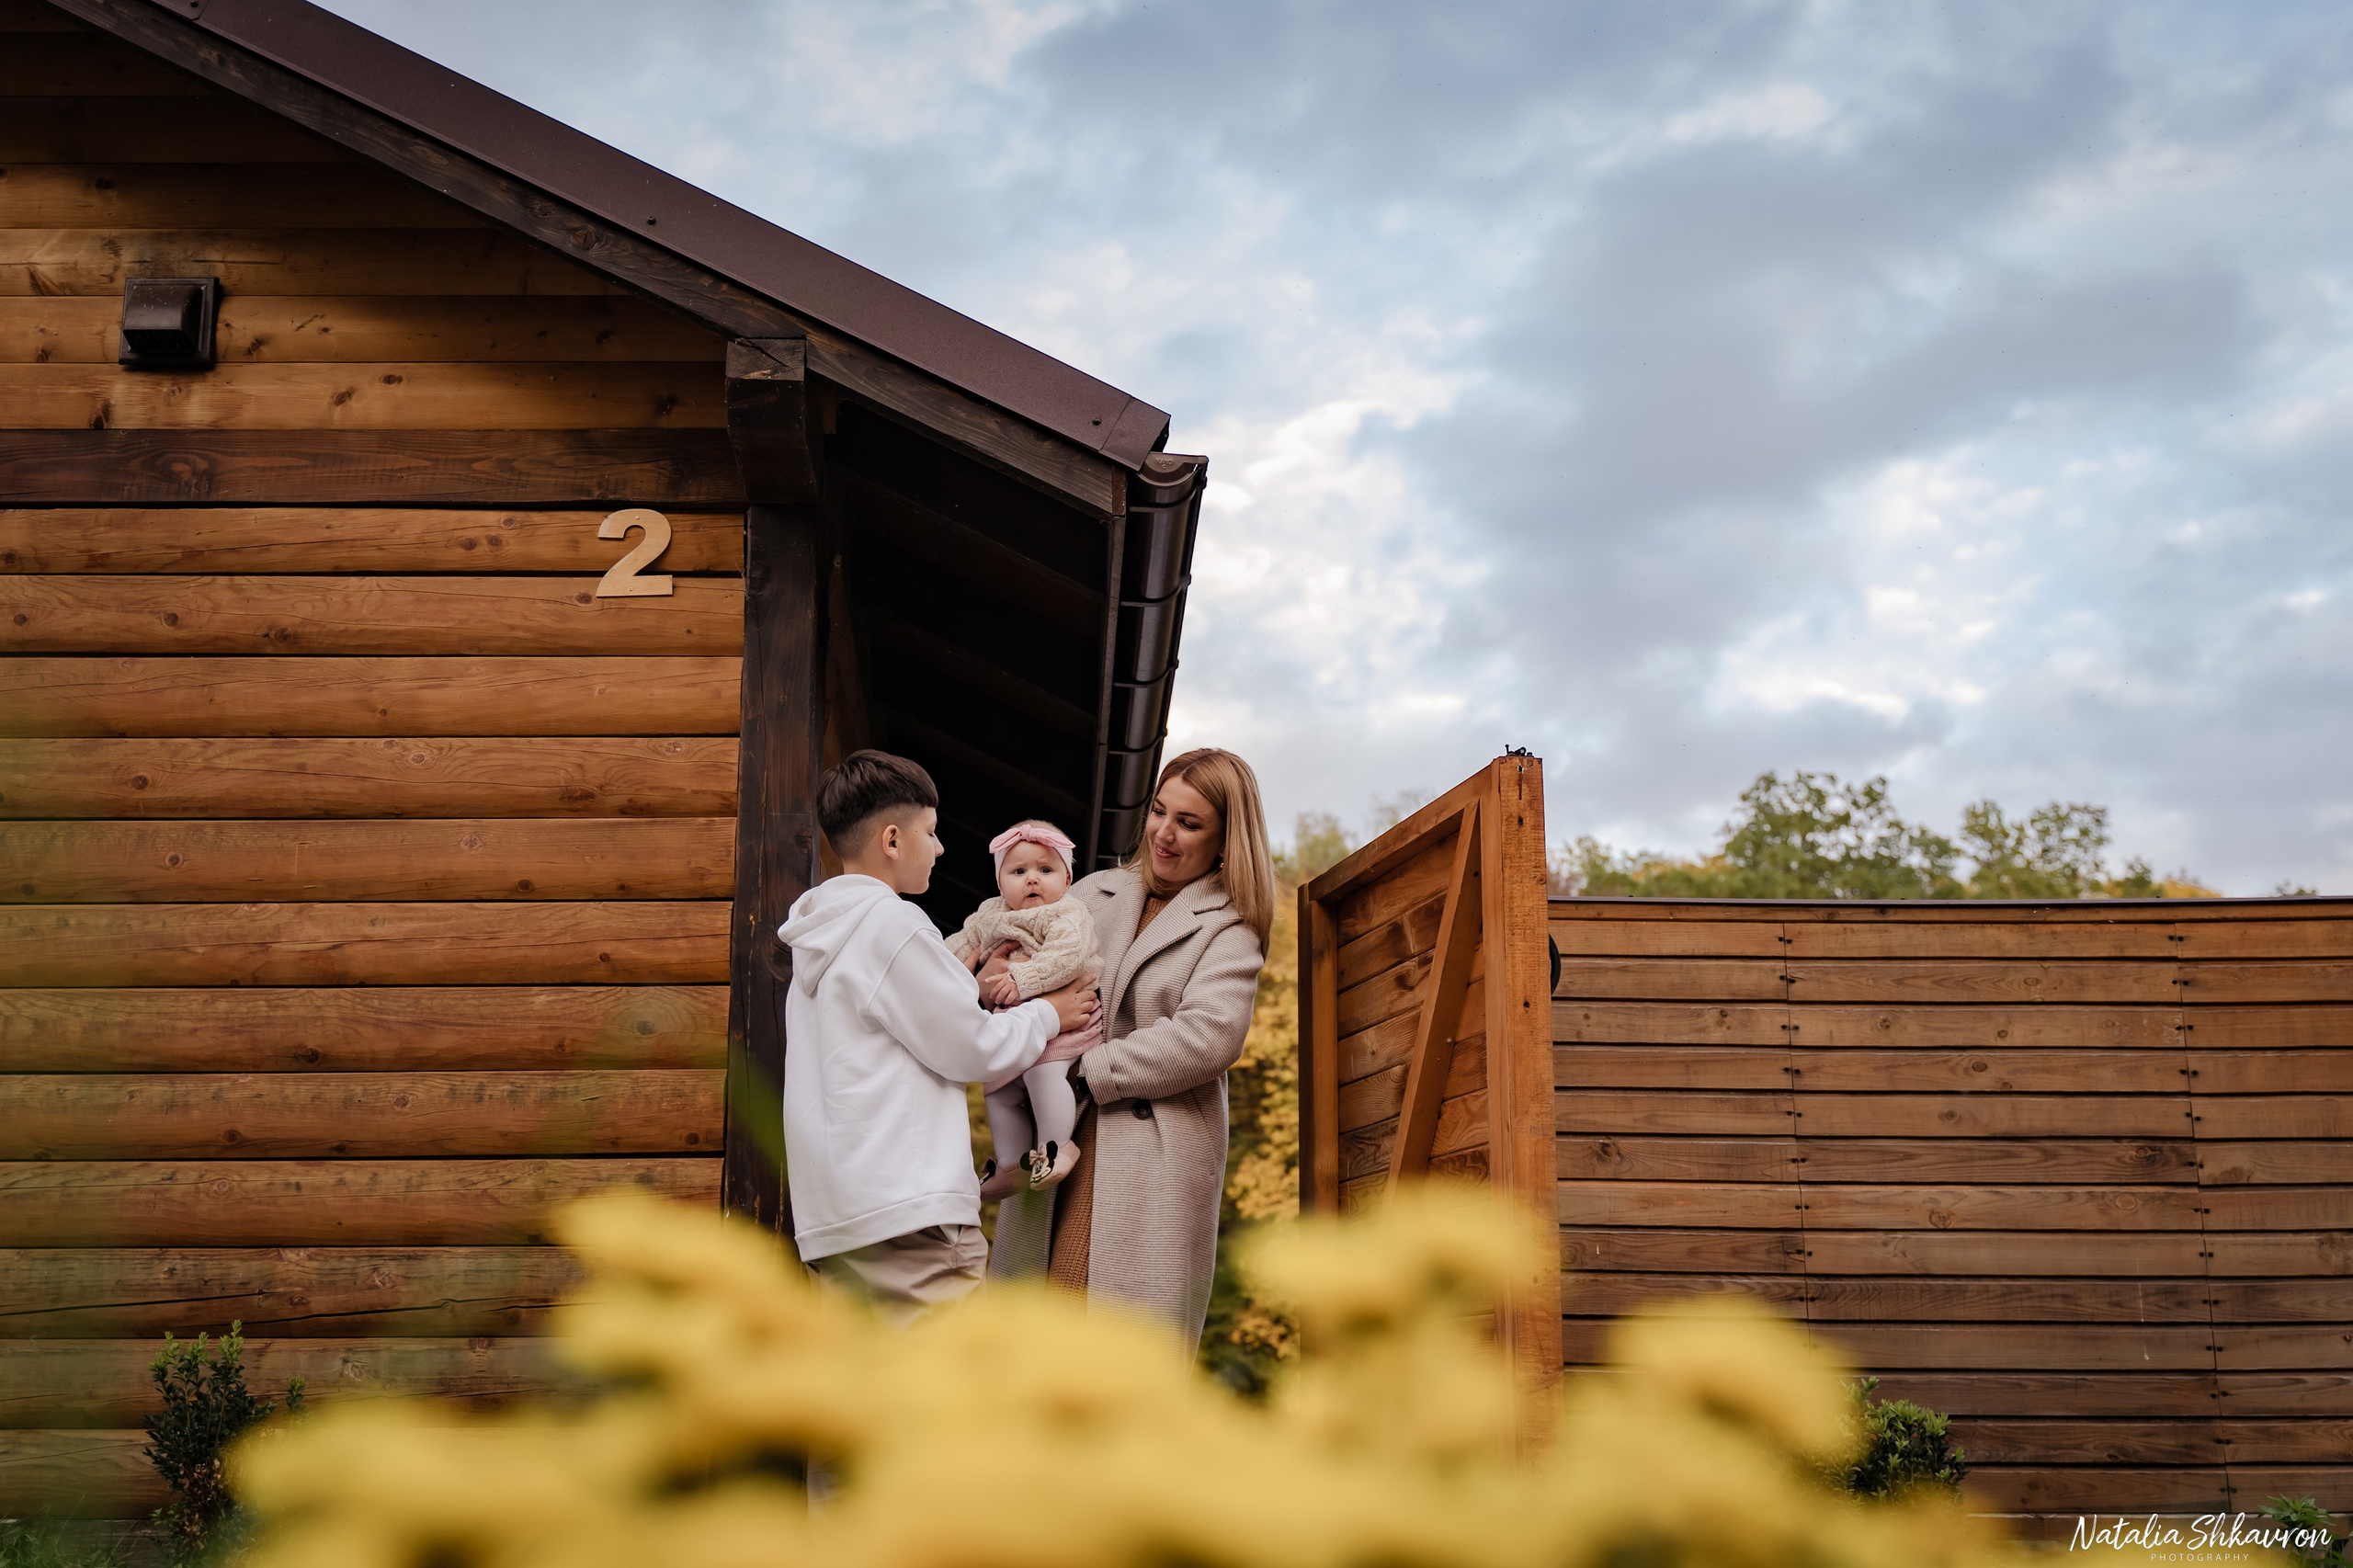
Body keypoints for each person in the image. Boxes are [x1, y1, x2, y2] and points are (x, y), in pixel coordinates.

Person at [777, 750, 1098, 1324]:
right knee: (949, 1402)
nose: (941, 847)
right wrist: (1050, 1011)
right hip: (910, 1219)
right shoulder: (892, 925)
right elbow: (973, 1048)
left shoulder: (819, 940)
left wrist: (961, 978)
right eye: (931, 831)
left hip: (836, 1223)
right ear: (893, 841)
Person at [988, 747, 1274, 1355]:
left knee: (1103, 1347)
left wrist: (1089, 1072)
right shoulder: (1094, 892)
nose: (1164, 834)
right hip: (1056, 1131)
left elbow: (1209, 1036)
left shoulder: (1231, 926)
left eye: (1189, 824)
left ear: (1226, 840)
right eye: (1159, 811)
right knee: (1025, 1338)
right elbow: (1025, 953)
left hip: (1144, 1155)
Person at [946, 820, 1101, 1199]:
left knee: (1042, 1074)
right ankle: (1011, 1165)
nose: (1032, 880)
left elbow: (1068, 956)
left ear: (1067, 880)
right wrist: (939, 969)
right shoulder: (989, 914)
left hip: (1064, 1013)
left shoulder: (1068, 913)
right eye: (1019, 871)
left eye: (1045, 870)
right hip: (1014, 1019)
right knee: (998, 1092)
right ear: (1000, 884)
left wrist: (1024, 979)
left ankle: (1057, 1145)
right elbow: (958, 948)